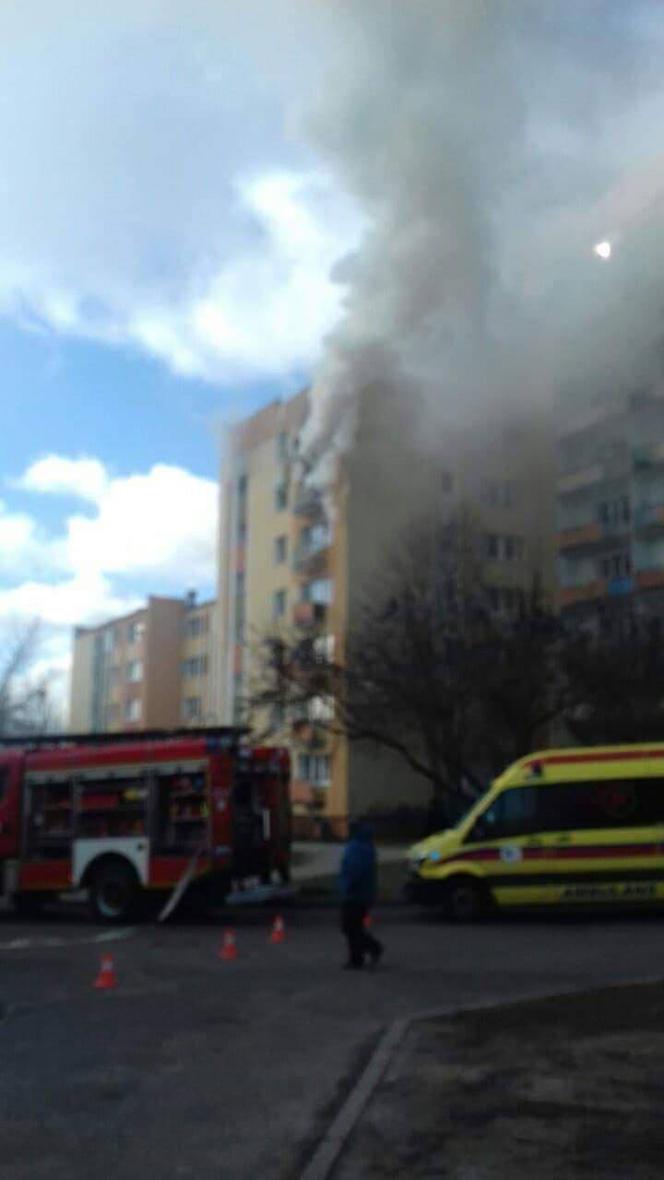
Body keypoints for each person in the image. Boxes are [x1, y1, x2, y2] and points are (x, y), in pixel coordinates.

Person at [339, 820, 384, 969]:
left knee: (350, 927)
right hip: (363, 893)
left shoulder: (356, 847)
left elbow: (354, 870)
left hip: (355, 894)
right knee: (354, 927)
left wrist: (347, 886)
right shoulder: (366, 845)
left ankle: (364, 953)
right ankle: (361, 954)